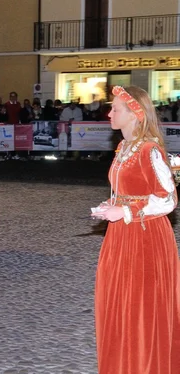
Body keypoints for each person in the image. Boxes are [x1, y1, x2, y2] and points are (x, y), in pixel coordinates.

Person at [90, 85, 180, 374]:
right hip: (120, 235)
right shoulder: (123, 147)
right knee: (118, 304)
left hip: (145, 237)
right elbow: (127, 191)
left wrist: (126, 210)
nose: (109, 112)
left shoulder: (149, 149)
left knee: (142, 307)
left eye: (116, 109)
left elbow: (167, 198)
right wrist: (111, 204)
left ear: (135, 114)